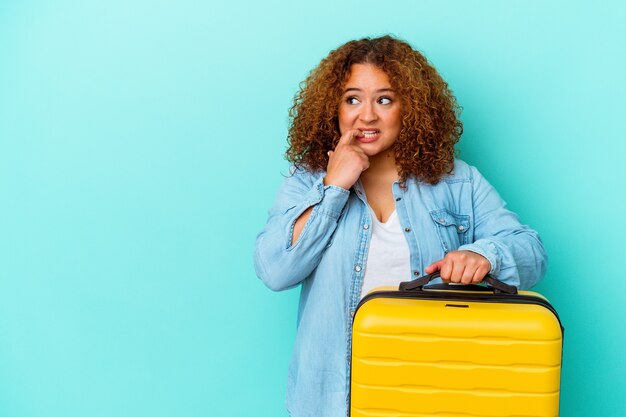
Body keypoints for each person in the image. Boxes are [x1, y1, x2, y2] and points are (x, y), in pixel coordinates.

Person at [253, 35, 547, 417]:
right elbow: (275, 270)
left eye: (385, 99)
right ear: (334, 108)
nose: (367, 116)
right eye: (352, 99)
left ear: (411, 108)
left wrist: (483, 255)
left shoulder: (457, 182)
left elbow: (532, 252)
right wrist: (334, 186)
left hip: (432, 391)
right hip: (333, 402)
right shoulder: (306, 181)